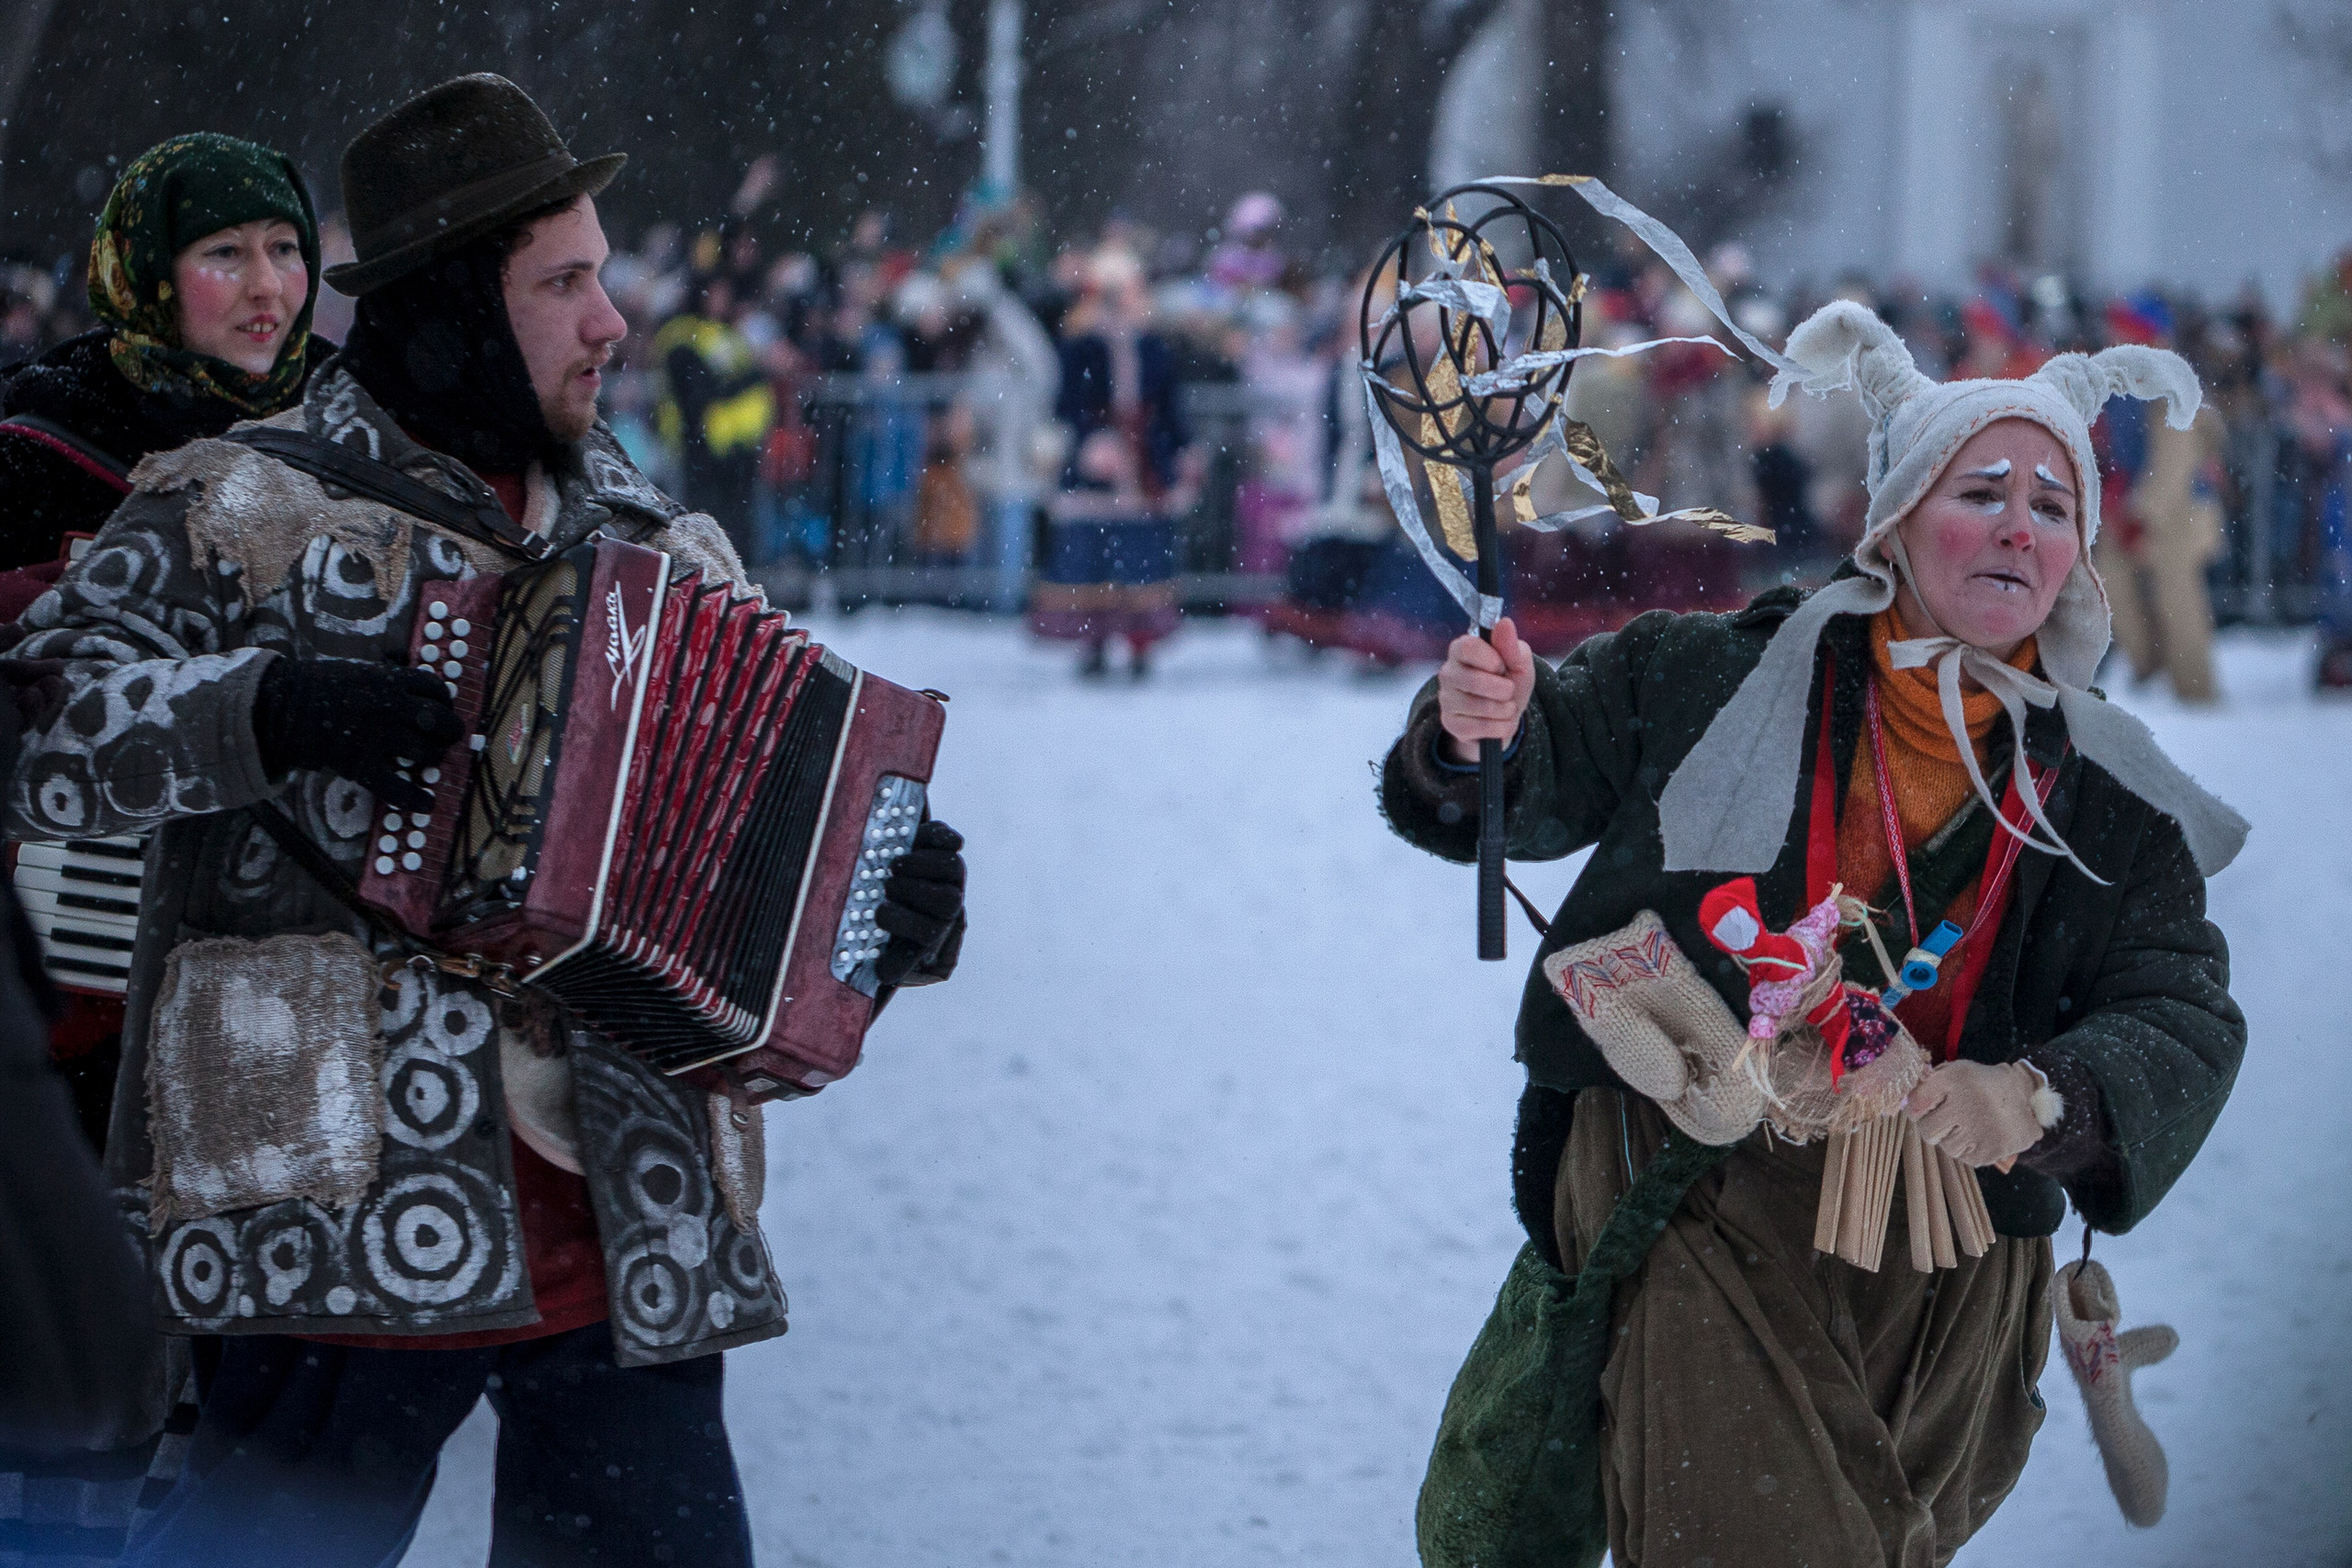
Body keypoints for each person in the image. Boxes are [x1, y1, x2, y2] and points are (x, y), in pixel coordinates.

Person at [7, 75, 967, 1568]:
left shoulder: (659, 548)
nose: (613, 321)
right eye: (565, 282)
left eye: (604, 274)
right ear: (453, 305)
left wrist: (885, 916)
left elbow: (776, 878)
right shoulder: (233, 511)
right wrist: (256, 713)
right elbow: (35, 732)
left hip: (631, 1225)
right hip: (325, 1215)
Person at [1385, 299, 2246, 1567]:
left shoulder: (2109, 791)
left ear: (2079, 555)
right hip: (1695, 1180)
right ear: (1893, 520)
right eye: (1984, 491)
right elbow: (1535, 770)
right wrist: (1478, 728)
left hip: (1950, 1254)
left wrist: (2034, 1097)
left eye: (2054, 506)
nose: (2022, 523)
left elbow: (2180, 1009)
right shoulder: (1704, 674)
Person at [0, 134, 322, 1568]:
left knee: (234, 1372)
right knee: (81, 1362)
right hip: (68, 981)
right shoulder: (36, 449)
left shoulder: (346, 449)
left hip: (269, 989)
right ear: (148, 275)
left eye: (286, 251)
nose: (267, 289)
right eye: (224, 255)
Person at [1032, 247, 1195, 677]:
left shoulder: (1154, 347)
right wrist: (1090, 441)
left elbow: (1170, 406)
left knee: (1140, 556)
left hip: (1145, 462)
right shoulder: (1080, 348)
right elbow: (1066, 404)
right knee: (1095, 557)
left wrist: (1181, 450)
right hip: (1095, 463)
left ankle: (1140, 645)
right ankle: (1095, 644)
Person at [2092, 293, 2225, 705]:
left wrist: (2136, 513)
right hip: (2132, 509)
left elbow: (2173, 462)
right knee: (2108, 581)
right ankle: (2150, 670)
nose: (2110, 334)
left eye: (2121, 327)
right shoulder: (2121, 381)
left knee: (2177, 599)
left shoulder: (2172, 383)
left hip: (2178, 514)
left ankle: (2196, 691)